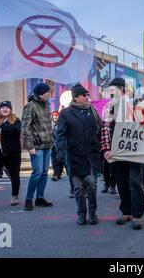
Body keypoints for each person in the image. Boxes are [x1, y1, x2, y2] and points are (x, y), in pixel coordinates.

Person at [101, 78, 144, 230]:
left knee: (135, 181)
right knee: (121, 182)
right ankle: (126, 212)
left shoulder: (135, 105)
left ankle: (137, 215)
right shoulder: (108, 107)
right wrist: (106, 149)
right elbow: (105, 128)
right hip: (116, 151)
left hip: (133, 151)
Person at [56, 84, 102, 226]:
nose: (87, 98)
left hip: (90, 156)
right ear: (76, 97)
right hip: (74, 156)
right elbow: (60, 134)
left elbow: (99, 131)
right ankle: (81, 214)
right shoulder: (66, 113)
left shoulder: (92, 111)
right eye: (84, 95)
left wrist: (101, 149)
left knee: (91, 184)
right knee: (78, 188)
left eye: (87, 95)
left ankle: (92, 214)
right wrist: (60, 153)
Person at [21, 83, 54, 211]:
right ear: (41, 94)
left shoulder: (47, 105)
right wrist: (30, 146)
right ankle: (29, 199)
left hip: (48, 144)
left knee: (45, 173)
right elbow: (25, 127)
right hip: (37, 146)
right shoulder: (30, 106)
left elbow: (47, 125)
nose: (49, 95)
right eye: (48, 93)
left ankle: (40, 198)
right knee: (37, 173)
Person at [50, 111, 65, 182]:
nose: (55, 117)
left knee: (60, 160)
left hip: (60, 145)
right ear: (52, 117)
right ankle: (55, 174)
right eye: (54, 115)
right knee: (54, 160)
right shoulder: (50, 125)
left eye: (56, 115)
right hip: (52, 145)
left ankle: (58, 173)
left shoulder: (61, 124)